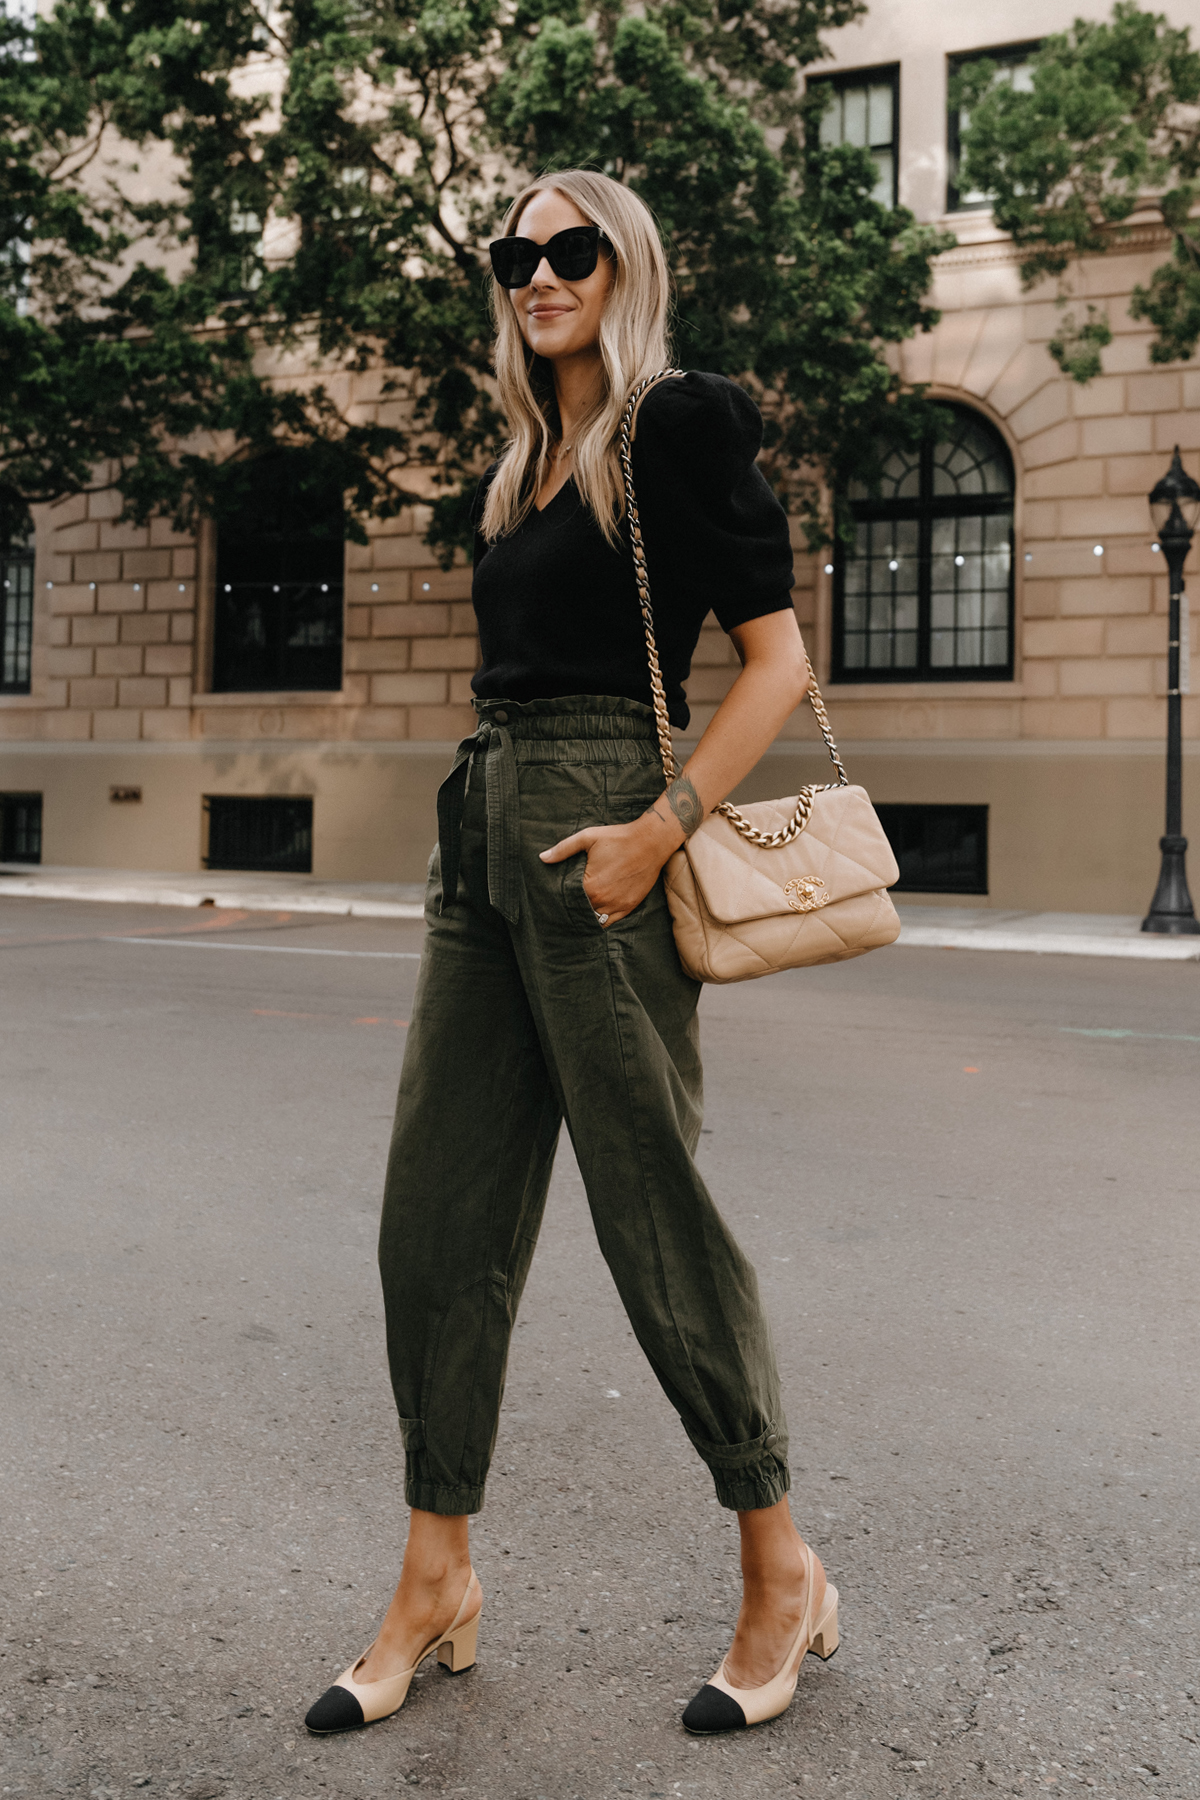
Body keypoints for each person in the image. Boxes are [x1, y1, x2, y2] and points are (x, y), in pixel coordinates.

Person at [304, 168, 837, 1742]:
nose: (540, 273)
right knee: (436, 1212)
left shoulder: (676, 424)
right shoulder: (526, 461)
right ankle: (436, 1573)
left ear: (622, 261)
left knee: (649, 1209)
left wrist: (660, 828)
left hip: (608, 831)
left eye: (569, 249)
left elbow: (778, 659)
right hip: (487, 823)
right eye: (516, 254)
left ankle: (778, 1564)